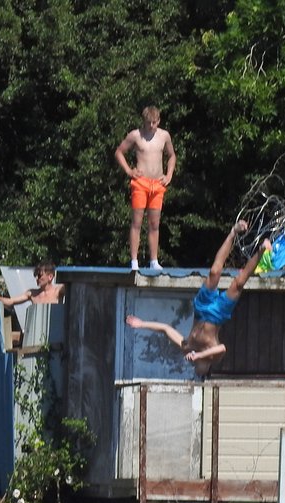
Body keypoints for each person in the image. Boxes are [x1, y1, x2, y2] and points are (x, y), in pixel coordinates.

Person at [125, 221, 269, 377]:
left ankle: (233, 232)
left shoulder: (187, 348)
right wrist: (200, 355)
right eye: (198, 369)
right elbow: (222, 349)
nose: (194, 366)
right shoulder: (213, 356)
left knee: (214, 272)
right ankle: (260, 251)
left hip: (201, 309)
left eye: (195, 368)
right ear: (208, 368)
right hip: (218, 315)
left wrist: (141, 323)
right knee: (239, 283)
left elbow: (166, 329)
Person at [114, 105, 176, 271]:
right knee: (137, 222)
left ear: (159, 121)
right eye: (149, 123)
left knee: (154, 223)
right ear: (144, 121)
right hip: (141, 183)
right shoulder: (136, 135)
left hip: (157, 183)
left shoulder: (164, 136)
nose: (151, 126)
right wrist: (129, 171)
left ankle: (154, 260)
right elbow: (119, 152)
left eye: (154, 123)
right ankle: (134, 261)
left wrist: (169, 174)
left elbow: (172, 156)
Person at [0, 261, 66, 306]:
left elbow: (75, 291)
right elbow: (12, 301)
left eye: (39, 275)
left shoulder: (58, 291)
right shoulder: (32, 293)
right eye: (35, 275)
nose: (37, 278)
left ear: (50, 277)